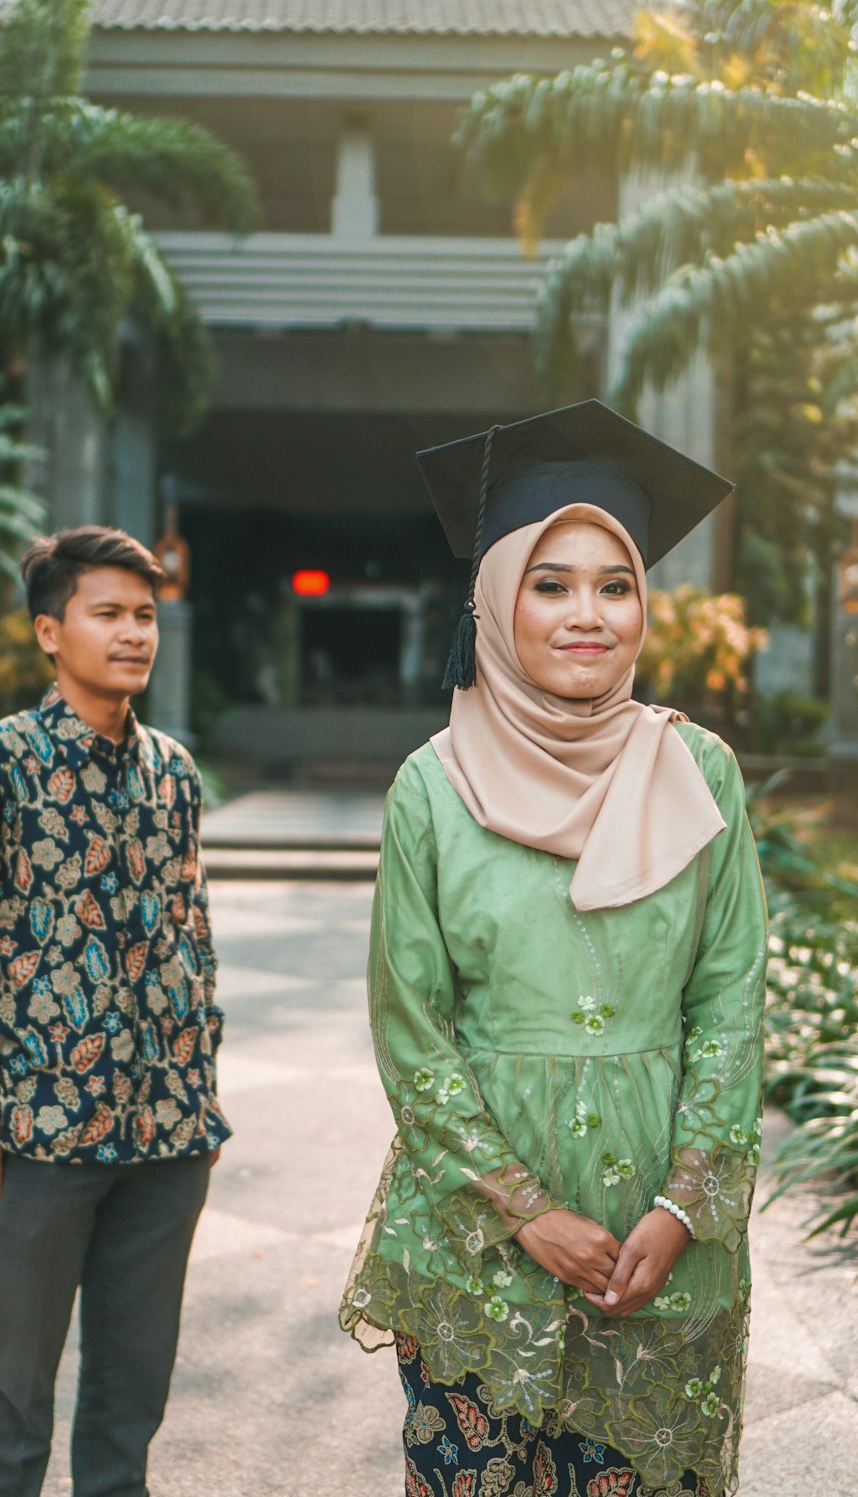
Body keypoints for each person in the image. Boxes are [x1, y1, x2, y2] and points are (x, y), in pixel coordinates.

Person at [339, 401, 767, 1497]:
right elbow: (411, 1031)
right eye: (551, 582)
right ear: (494, 600)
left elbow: (728, 1002)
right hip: (477, 1241)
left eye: (614, 584)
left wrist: (682, 1209)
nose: (590, 615)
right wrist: (524, 1212)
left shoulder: (698, 771)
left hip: (660, 1237)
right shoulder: (431, 789)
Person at [0, 525, 228, 1497]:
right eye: (107, 613)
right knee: (12, 1398)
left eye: (144, 614)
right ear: (51, 631)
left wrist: (199, 1080)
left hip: (167, 1139)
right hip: (42, 1135)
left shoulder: (174, 771)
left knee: (130, 1405)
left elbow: (190, 935)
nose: (132, 633)